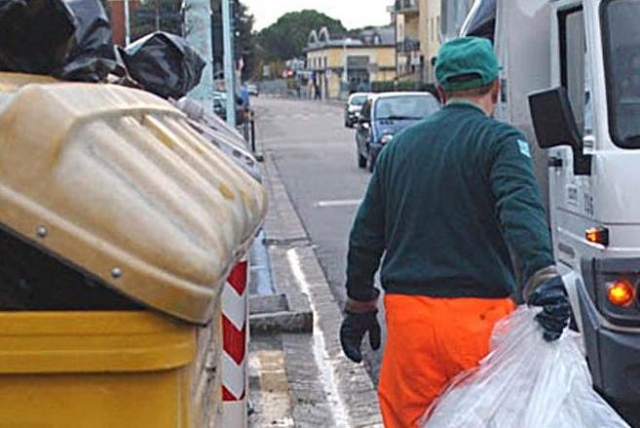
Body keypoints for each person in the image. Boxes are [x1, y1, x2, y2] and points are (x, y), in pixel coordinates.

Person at [339, 37, 571, 428]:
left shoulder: (398, 150)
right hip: (479, 325)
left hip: (410, 323)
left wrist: (359, 306)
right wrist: (544, 277)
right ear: (496, 87)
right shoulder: (500, 142)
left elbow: (365, 237)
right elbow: (521, 211)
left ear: (440, 91)